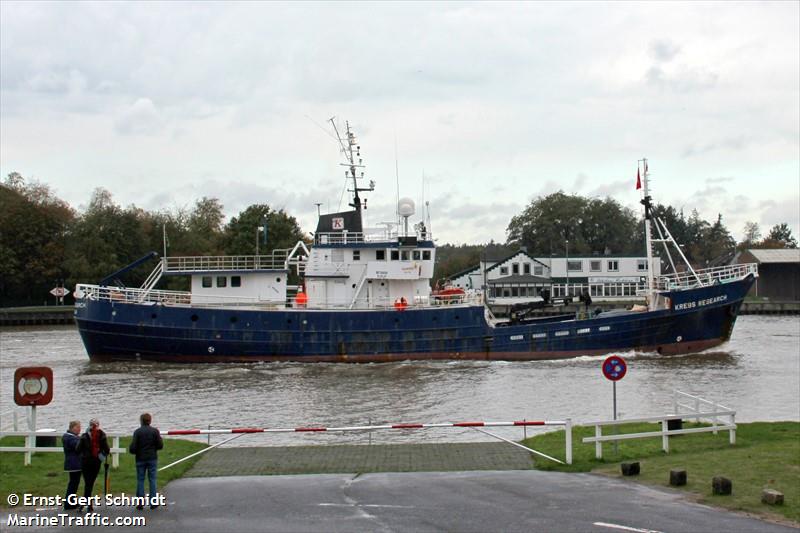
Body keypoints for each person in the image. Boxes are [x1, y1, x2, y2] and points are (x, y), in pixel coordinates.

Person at [129, 413, 163, 510]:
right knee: (152, 479)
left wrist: (134, 450)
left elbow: (133, 447)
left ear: (141, 421)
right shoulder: (155, 431)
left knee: (140, 480)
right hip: (152, 458)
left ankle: (140, 503)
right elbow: (160, 445)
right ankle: (153, 502)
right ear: (150, 421)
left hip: (140, 458)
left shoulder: (137, 432)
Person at [77, 418, 110, 512]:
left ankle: (86, 504)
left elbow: (78, 449)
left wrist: (83, 453)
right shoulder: (102, 435)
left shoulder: (84, 436)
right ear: (98, 425)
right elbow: (107, 450)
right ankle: (87, 504)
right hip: (96, 461)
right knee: (90, 483)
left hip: (85, 461)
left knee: (88, 483)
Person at [62, 420, 82, 510]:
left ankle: (71, 501)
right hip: (74, 463)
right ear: (72, 428)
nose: (79, 429)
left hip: (74, 463)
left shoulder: (71, 437)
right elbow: (78, 446)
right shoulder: (70, 438)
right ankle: (69, 503)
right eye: (77, 427)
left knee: (74, 483)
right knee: (73, 483)